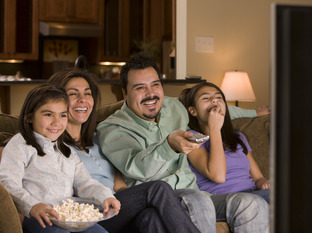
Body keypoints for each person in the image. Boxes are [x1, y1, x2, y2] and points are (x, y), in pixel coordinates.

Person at [97, 55, 269, 233]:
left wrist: (254, 112)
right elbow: (136, 168)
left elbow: (210, 108)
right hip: (159, 203)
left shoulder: (173, 107)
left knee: (250, 203)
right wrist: (169, 147)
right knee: (197, 199)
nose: (150, 94)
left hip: (199, 195)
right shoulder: (112, 129)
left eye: (155, 85)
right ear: (124, 93)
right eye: (140, 87)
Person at [47, 68, 200, 233]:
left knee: (150, 217)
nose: (82, 100)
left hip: (115, 208)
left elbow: (120, 186)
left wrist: (135, 203)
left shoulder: (99, 138)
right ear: (56, 100)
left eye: (87, 93)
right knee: (158, 188)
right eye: (73, 94)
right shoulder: (52, 147)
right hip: (87, 214)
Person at [0, 84, 120, 233]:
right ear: (29, 117)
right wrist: (33, 206)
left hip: (69, 215)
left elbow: (84, 182)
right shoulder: (20, 145)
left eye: (62, 115)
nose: (57, 122)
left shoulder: (66, 150)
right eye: (48, 114)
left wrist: (105, 196)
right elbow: (7, 182)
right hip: (39, 217)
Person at [178, 82, 270, 203]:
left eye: (219, 97)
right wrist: (214, 129)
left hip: (253, 193)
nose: (214, 101)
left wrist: (264, 182)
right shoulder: (192, 137)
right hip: (223, 198)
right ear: (193, 111)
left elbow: (258, 178)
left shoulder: (238, 137)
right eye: (206, 98)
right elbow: (218, 176)